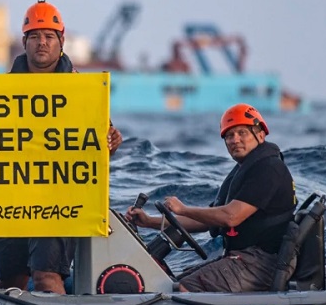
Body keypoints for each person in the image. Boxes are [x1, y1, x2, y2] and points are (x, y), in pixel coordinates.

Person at [0, 0, 123, 293]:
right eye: (35, 36)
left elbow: (100, 146)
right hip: (8, 202)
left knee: (46, 276)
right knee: (10, 281)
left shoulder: (83, 91)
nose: (42, 42)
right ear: (24, 41)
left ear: (61, 41)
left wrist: (113, 141)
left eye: (49, 36)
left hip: (59, 202)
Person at [125, 103, 294, 293]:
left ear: (260, 135)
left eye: (242, 133)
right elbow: (205, 220)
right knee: (171, 283)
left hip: (263, 264)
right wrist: (149, 222)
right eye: (229, 135)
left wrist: (184, 209)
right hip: (246, 258)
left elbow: (231, 217)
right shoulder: (244, 170)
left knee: (185, 288)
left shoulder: (268, 169)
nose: (235, 140)